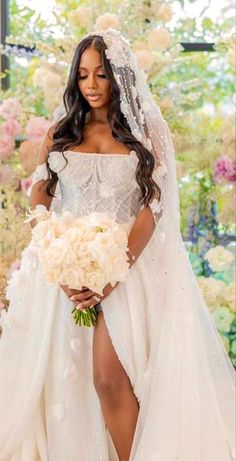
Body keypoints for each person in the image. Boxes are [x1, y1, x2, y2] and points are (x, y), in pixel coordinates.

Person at [0, 29, 235, 461]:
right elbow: (40, 194)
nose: (91, 85)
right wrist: (58, 253)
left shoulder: (147, 135)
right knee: (68, 386)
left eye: (101, 75)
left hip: (129, 266)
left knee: (109, 377)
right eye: (84, 75)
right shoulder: (61, 133)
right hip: (66, 274)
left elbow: (155, 206)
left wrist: (112, 272)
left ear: (119, 77)